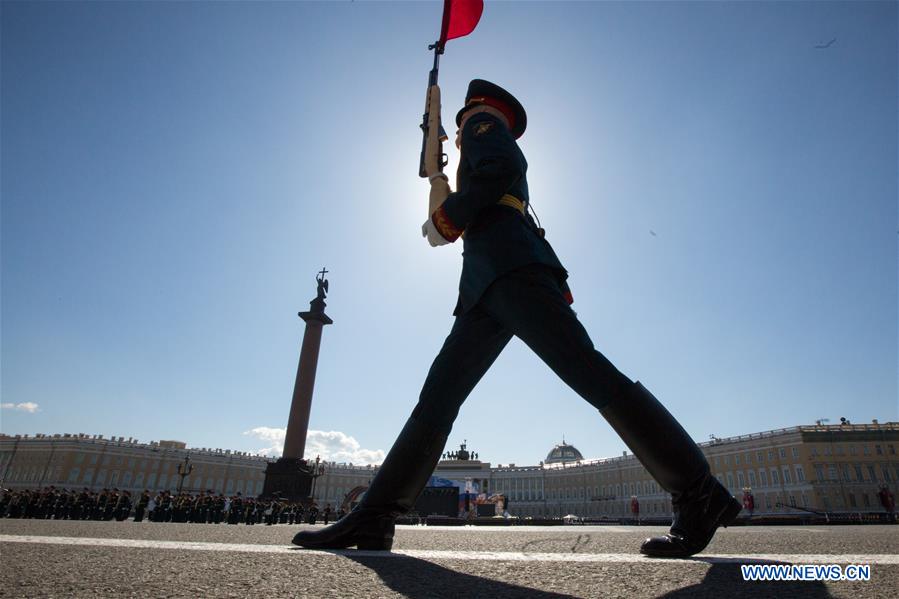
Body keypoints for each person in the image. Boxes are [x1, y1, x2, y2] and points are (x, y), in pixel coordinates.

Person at [293, 79, 741, 557]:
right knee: (438, 398)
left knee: (589, 375)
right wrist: (439, 181)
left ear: (473, 115)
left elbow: (502, 167)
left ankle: (699, 492)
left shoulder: (482, 122)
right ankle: (375, 517)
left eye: (459, 130)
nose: (459, 137)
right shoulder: (478, 136)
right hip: (491, 279)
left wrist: (450, 214)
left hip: (508, 270)